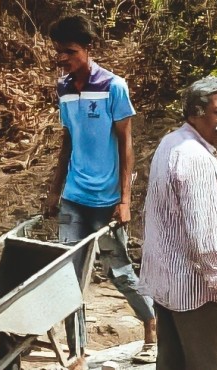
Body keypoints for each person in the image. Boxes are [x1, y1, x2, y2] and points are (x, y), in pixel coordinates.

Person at [41, 15, 157, 367]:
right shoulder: (63, 88)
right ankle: (78, 352)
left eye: (70, 51)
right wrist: (54, 189)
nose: (63, 58)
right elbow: (68, 141)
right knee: (69, 277)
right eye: (59, 52)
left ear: (88, 49)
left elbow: (126, 145)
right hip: (74, 197)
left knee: (119, 271)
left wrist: (125, 200)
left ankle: (151, 328)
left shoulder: (113, 86)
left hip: (106, 201)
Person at [139, 76, 217, 370]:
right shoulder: (195, 159)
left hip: (169, 287)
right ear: (195, 114)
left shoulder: (170, 144)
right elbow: (207, 237)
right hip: (199, 293)